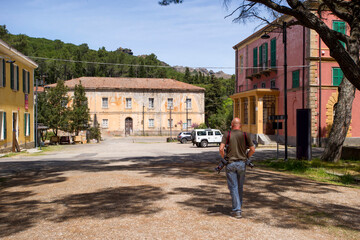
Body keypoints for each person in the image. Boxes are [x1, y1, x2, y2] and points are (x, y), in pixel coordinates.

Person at [219, 118, 255, 219]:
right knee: (240, 187)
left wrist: (224, 157)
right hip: (242, 164)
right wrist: (247, 156)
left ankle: (237, 210)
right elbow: (252, 149)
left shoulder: (227, 134)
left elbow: (221, 149)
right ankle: (239, 207)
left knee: (233, 187)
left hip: (230, 163)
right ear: (240, 125)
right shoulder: (245, 135)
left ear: (232, 124)